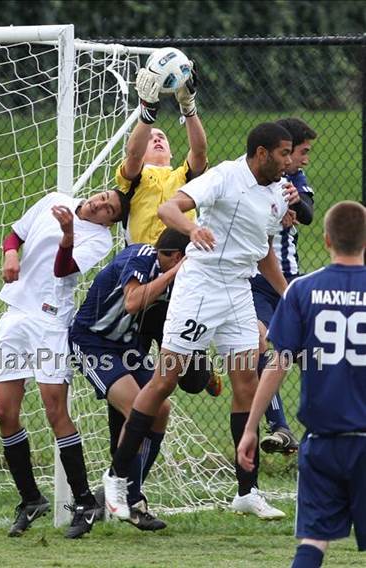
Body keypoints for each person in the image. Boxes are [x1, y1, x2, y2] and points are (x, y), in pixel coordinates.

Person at [103, 122, 301, 520]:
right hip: (200, 288)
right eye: (283, 153)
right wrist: (193, 228)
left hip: (238, 291)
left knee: (247, 379)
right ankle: (118, 476)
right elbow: (167, 208)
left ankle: (247, 492)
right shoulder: (225, 176)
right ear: (261, 153)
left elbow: (261, 249)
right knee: (165, 380)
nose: (289, 161)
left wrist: (288, 295)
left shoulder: (277, 195)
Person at [0, 189, 126, 538]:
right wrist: (10, 254)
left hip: (51, 322)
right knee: (4, 413)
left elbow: (63, 268)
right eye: (103, 197)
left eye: (108, 210)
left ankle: (84, 501)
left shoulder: (99, 240)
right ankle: (31, 499)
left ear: (109, 223)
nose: (100, 204)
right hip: (16, 315)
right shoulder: (55, 198)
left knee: (55, 411)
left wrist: (67, 235)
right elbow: (15, 234)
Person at [238, 201, 366, 567]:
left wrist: (251, 428)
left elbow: (277, 363)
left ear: (326, 240)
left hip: (323, 442)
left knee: (314, 542)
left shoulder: (302, 290)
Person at [69, 228, 189, 528]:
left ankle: (128, 492)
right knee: (138, 406)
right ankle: (123, 492)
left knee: (161, 409)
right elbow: (133, 301)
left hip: (127, 347)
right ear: (177, 256)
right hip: (93, 342)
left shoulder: (177, 278)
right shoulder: (140, 255)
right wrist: (174, 273)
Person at [116, 63, 222, 399]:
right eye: (152, 138)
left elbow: (201, 151)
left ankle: (198, 371)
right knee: (133, 362)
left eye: (163, 137)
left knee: (190, 382)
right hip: (143, 272)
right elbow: (133, 152)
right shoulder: (134, 176)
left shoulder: (184, 177)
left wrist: (188, 107)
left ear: (173, 152)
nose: (158, 139)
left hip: (182, 270)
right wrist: (147, 116)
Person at [250, 118, 317, 454]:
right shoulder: (250, 179)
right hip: (256, 281)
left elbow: (308, 214)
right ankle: (279, 426)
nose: (304, 158)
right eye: (300, 152)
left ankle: (322, 427)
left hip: (290, 280)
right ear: (284, 151)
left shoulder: (294, 180)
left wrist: (293, 201)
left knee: (310, 354)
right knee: (259, 344)